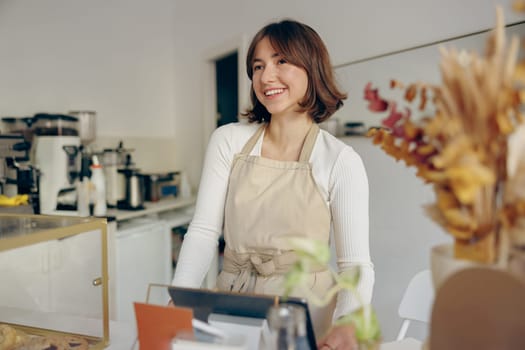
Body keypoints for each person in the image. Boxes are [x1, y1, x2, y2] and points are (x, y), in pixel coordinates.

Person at [172, 19, 374, 350]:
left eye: (281, 61)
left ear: (312, 68)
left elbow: (355, 265)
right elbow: (204, 232)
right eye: (258, 66)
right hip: (233, 301)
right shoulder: (228, 140)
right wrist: (180, 300)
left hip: (304, 312)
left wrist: (347, 323)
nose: (266, 77)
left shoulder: (340, 160)